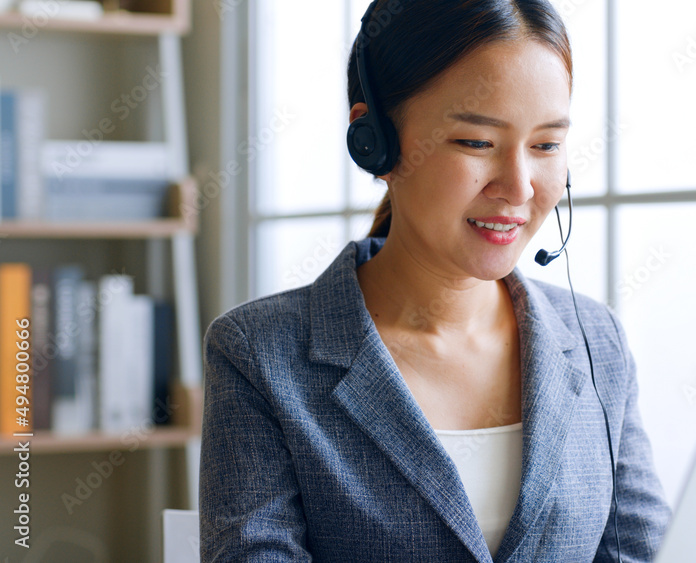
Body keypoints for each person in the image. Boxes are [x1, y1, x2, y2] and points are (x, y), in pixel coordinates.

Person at [199, 0, 670, 561]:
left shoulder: (597, 340)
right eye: (476, 143)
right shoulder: (259, 354)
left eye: (546, 145)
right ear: (375, 141)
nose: (519, 187)